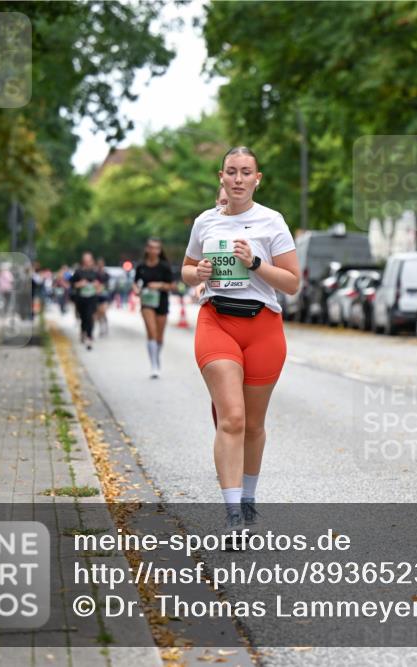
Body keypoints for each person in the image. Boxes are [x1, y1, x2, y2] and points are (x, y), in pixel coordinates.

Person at [181, 146, 300, 532]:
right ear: (221, 176)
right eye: (231, 171)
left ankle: (248, 499)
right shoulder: (205, 222)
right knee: (231, 418)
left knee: (252, 424)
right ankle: (233, 513)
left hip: (263, 327)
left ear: (257, 178)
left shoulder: (272, 221)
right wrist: (197, 272)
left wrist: (255, 263)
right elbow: (185, 269)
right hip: (217, 321)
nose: (237, 179)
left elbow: (293, 283)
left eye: (245, 172)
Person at [132, 237, 175, 378]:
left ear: (160, 250)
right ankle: (154, 366)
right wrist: (136, 290)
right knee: (151, 332)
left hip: (161, 301)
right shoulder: (141, 266)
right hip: (146, 302)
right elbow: (134, 283)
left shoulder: (164, 266)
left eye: (157, 248)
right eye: (151, 247)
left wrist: (159, 285)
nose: (154, 250)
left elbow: (172, 286)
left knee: (159, 337)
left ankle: (156, 357)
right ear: (147, 249)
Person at [71, 252, 102, 349]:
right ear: (83, 261)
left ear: (92, 261)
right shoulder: (78, 272)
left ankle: (89, 336)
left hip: (92, 298)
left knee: (90, 317)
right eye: (86, 260)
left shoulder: (95, 273)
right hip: (81, 298)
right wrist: (79, 284)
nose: (87, 262)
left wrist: (97, 287)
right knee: (84, 317)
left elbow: (101, 286)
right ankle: (83, 331)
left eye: (89, 260)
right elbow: (72, 285)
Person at [94, 257, 111, 336]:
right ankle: (101, 326)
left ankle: (105, 326)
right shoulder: (95, 274)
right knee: (98, 313)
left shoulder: (106, 274)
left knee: (103, 311)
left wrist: (101, 287)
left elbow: (107, 285)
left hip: (104, 295)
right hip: (97, 295)